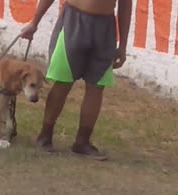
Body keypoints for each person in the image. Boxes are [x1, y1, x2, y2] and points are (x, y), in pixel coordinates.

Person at [20, 0, 132, 161]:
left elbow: (126, 5)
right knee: (63, 82)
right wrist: (34, 23)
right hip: (74, 21)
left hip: (105, 27)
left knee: (97, 86)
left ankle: (83, 142)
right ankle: (45, 135)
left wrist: (123, 46)